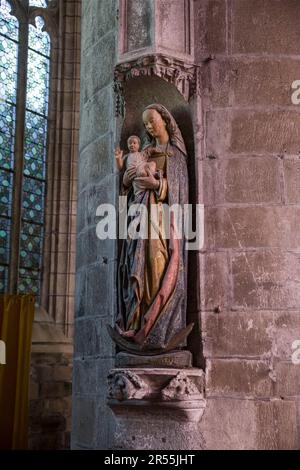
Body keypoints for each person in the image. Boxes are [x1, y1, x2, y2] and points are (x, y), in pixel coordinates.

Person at [116, 104, 189, 352]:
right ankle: (135, 322)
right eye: (145, 123)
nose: (148, 126)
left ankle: (156, 323)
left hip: (162, 218)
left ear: (165, 121)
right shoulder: (145, 152)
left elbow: (179, 192)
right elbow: (127, 183)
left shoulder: (175, 154)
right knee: (136, 265)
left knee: (157, 263)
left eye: (152, 121)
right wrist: (128, 180)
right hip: (139, 216)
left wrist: (157, 185)